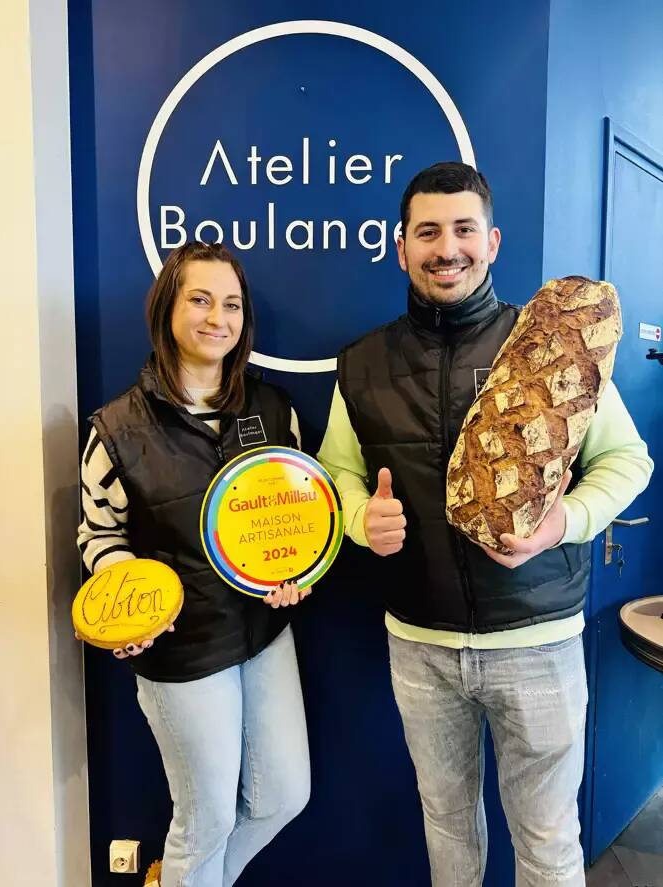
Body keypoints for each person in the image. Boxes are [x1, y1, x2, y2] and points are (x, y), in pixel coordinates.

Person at [317, 162, 653, 887]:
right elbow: (336, 475)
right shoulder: (362, 364)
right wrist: (359, 520)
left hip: (538, 640)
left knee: (547, 840)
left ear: (492, 242)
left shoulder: (549, 343)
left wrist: (565, 520)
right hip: (420, 645)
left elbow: (628, 460)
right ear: (400, 247)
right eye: (428, 232)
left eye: (464, 229)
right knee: (446, 825)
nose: (447, 248)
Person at [77, 241, 311, 887]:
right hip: (181, 649)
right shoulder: (116, 428)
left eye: (231, 304)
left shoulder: (274, 410)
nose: (217, 317)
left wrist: (296, 573)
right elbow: (99, 534)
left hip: (264, 633)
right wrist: (124, 603)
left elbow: (303, 517)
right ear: (167, 309)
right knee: (205, 819)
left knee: (283, 796)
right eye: (200, 299)